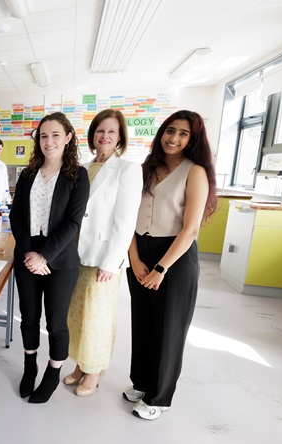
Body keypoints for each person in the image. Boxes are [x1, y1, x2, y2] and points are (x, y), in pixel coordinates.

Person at [125, 110, 217, 420]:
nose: (173, 138)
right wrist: (135, 260)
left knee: (169, 329)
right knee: (143, 323)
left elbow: (190, 229)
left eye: (183, 134)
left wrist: (161, 268)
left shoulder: (195, 172)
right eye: (170, 130)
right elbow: (127, 220)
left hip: (174, 257)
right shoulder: (147, 168)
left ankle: (160, 397)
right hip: (141, 249)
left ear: (193, 140)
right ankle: (141, 382)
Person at [9, 112, 90, 404]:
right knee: (29, 317)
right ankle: (30, 366)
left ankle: (53, 373)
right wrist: (30, 253)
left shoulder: (77, 175)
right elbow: (15, 216)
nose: (49, 141)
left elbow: (73, 221)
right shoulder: (28, 173)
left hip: (60, 259)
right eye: (43, 135)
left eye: (56, 135)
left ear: (68, 138)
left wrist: (44, 256)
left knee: (56, 322)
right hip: (28, 254)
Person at [64, 109, 143, 397]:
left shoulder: (128, 170)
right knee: (76, 314)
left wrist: (112, 262)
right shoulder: (83, 168)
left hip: (102, 257)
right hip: (76, 253)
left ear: (120, 136)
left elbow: (125, 221)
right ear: (92, 135)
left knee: (96, 317)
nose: (105, 136)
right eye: (100, 131)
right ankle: (80, 365)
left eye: (111, 131)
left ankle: (95, 370)